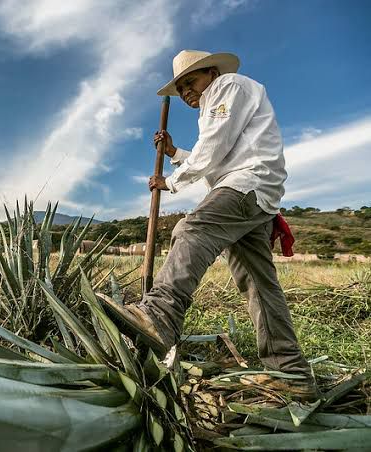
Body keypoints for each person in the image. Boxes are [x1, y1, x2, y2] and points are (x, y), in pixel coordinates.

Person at [106, 50, 318, 400]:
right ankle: (291, 373)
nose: (187, 92)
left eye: (191, 82)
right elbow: (216, 156)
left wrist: (170, 182)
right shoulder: (217, 103)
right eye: (181, 88)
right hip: (254, 195)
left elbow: (213, 148)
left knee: (191, 229)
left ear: (211, 72)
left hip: (246, 184)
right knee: (258, 285)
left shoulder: (227, 86)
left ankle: (160, 314)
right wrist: (175, 154)